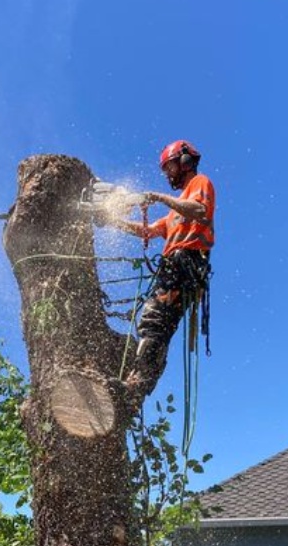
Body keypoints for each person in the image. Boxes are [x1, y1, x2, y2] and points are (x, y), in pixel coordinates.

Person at [100, 139, 215, 397]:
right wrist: (113, 221)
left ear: (184, 162)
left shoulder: (200, 183)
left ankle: (136, 385)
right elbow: (147, 231)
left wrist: (158, 197)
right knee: (151, 324)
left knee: (154, 322)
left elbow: (200, 211)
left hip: (187, 265)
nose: (168, 174)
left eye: (170, 167)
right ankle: (136, 380)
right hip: (173, 267)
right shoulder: (173, 213)